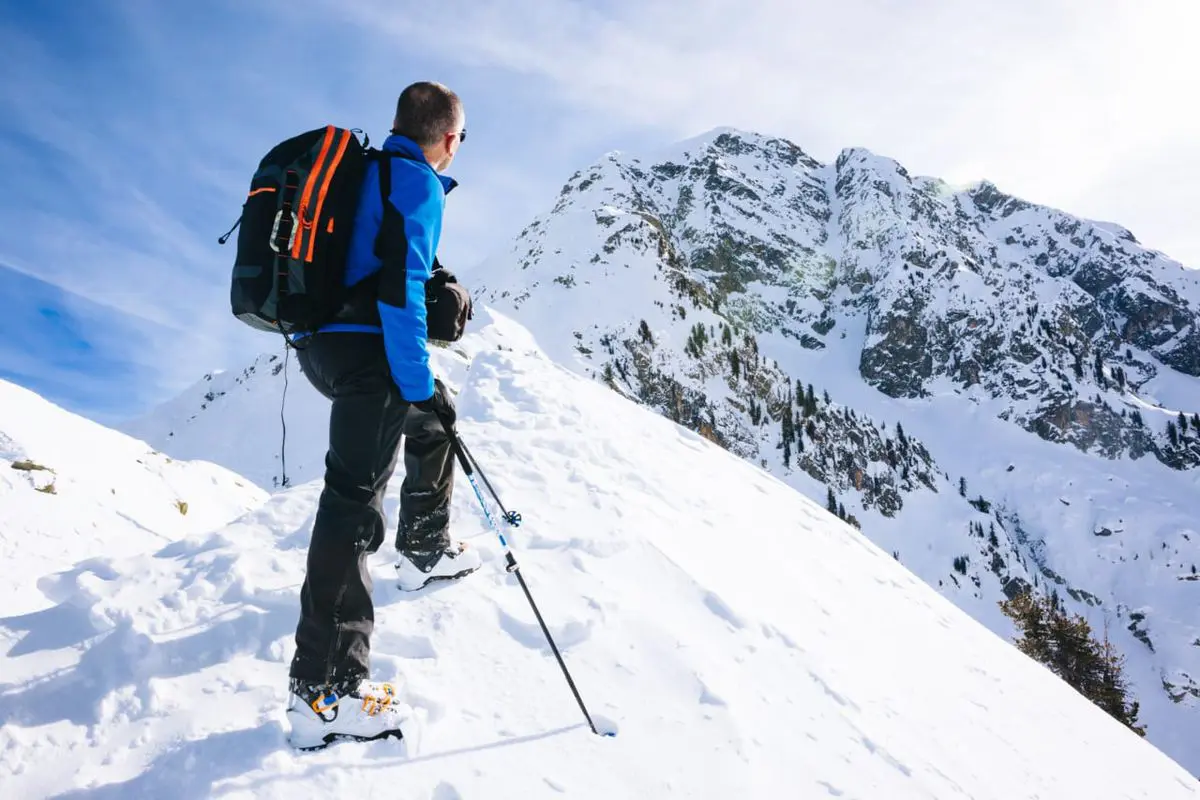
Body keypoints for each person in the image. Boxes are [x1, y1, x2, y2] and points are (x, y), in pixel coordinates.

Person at [284, 81, 480, 750]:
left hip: (323, 348)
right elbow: (399, 294)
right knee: (351, 510)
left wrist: (425, 392)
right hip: (368, 361)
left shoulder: (366, 171)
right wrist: (415, 378)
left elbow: (382, 267)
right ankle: (325, 698)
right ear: (447, 138)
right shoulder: (416, 183)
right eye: (460, 139)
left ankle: (424, 548)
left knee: (436, 418)